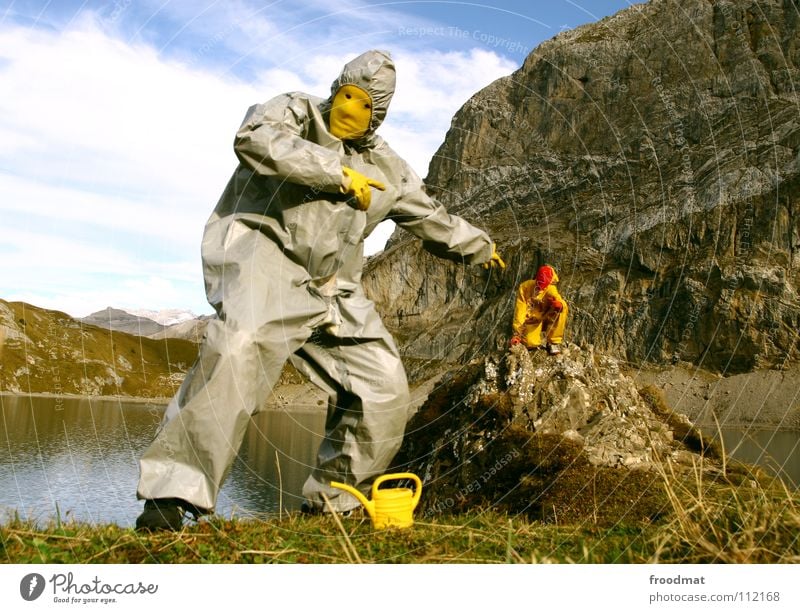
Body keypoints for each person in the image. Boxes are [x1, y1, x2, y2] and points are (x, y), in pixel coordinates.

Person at [134, 49, 506, 531]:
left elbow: (429, 215)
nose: (350, 109)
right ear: (335, 89)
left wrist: (480, 247)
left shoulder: (387, 167)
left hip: (333, 287)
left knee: (384, 387)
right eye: (346, 95)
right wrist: (334, 173)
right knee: (239, 346)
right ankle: (169, 497)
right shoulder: (292, 111)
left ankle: (337, 504)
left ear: (380, 114)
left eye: (365, 104)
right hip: (266, 258)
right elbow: (255, 140)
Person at [510, 265, 568, 355]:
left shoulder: (551, 290)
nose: (540, 288)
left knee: (562, 306)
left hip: (546, 318)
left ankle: (553, 342)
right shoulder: (525, 287)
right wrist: (517, 333)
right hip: (532, 320)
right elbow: (520, 311)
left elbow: (559, 303)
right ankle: (526, 336)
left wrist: (557, 305)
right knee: (530, 343)